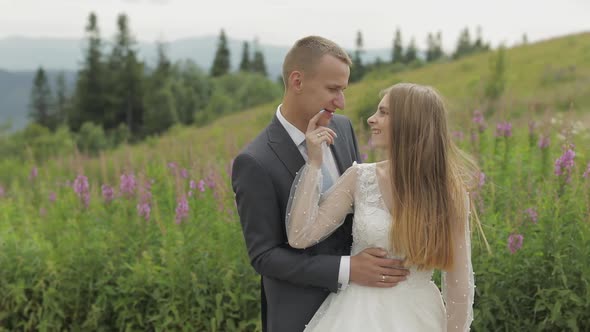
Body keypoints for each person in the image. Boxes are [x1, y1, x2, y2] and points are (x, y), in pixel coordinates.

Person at [231, 36, 410, 332]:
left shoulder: (342, 127)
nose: (341, 102)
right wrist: (348, 269)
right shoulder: (254, 161)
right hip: (300, 314)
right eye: (333, 89)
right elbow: (265, 256)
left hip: (366, 310)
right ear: (297, 81)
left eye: (343, 90)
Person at [286, 83, 479, 331]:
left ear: (410, 122)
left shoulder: (449, 194)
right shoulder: (359, 178)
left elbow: (458, 286)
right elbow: (301, 236)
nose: (371, 119)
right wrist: (314, 163)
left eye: (384, 113)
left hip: (419, 317)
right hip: (354, 316)